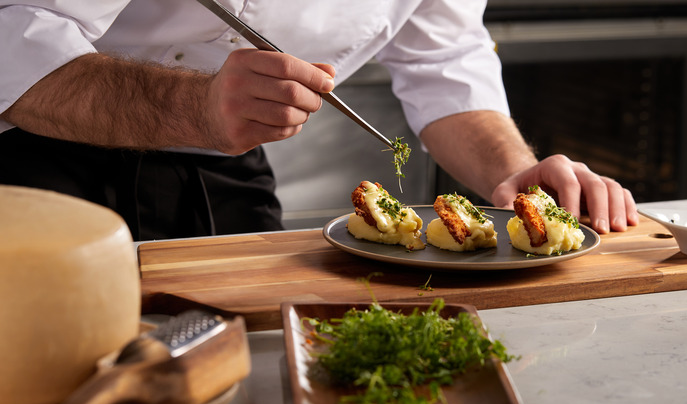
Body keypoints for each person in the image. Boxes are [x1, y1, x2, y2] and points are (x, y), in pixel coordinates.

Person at [0, 0, 638, 240]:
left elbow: (443, 58)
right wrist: (190, 106)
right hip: (38, 151)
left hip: (224, 166)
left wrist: (514, 171)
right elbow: (14, 35)